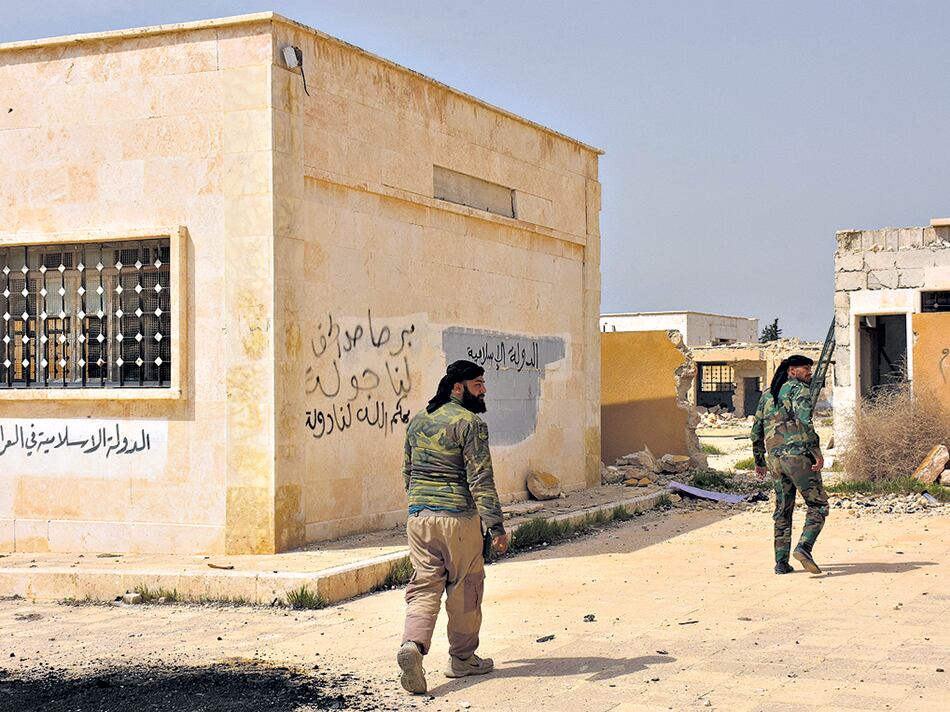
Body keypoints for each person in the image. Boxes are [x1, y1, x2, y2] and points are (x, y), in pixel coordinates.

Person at [397, 359, 510, 695]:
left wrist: (421, 506)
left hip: (419, 518)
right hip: (457, 519)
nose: (484, 389)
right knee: (465, 589)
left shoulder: (418, 421)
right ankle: (462, 660)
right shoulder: (469, 423)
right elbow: (481, 479)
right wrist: (496, 526)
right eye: (478, 384)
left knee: (424, 587)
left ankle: (413, 647)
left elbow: (408, 471)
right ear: (457, 387)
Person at [751, 355, 828, 575]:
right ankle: (804, 547)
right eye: (806, 369)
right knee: (818, 505)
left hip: (775, 460)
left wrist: (760, 461)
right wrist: (816, 453)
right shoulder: (799, 390)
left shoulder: (768, 394)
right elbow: (805, 421)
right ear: (792, 371)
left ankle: (781, 563)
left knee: (783, 510)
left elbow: (755, 431)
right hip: (798, 458)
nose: (809, 373)